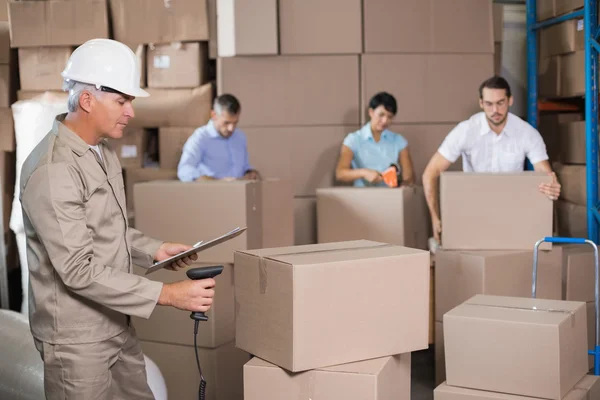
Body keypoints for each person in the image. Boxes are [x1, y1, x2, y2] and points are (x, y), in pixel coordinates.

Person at [19, 38, 216, 399]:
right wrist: (167, 295)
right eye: (122, 100)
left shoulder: (102, 153)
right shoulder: (54, 171)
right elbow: (78, 269)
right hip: (77, 342)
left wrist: (156, 250)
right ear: (87, 99)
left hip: (115, 321)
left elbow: (107, 230)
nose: (131, 112)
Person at [422, 76, 562, 244]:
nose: (495, 110)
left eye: (500, 103)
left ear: (510, 100)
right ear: (481, 103)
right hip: (474, 209)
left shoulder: (527, 133)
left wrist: (551, 183)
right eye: (489, 104)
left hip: (513, 208)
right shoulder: (466, 130)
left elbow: (544, 172)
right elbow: (430, 173)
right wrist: (435, 218)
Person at [335, 92, 415, 187]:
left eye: (390, 117)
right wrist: (364, 173)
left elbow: (409, 178)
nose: (385, 121)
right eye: (381, 115)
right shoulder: (353, 139)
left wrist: (404, 184)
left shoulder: (399, 141)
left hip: (391, 197)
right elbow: (340, 173)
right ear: (371, 112)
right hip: (360, 198)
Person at [177, 94, 260, 182]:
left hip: (239, 193)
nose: (231, 128)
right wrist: (217, 182)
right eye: (226, 123)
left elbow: (244, 166)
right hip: (213, 193)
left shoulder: (240, 137)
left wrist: (250, 172)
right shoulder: (200, 138)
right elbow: (184, 170)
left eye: (235, 122)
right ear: (214, 115)